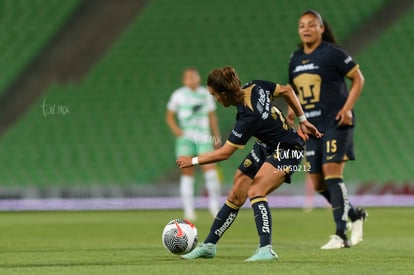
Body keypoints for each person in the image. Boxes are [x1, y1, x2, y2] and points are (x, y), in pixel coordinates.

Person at [176, 66, 322, 261]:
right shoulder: (255, 86)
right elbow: (287, 90)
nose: (215, 99)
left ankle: (266, 249)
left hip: (288, 149)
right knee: (237, 192)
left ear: (224, 94)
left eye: (214, 95)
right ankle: (209, 245)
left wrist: (192, 160)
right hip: (264, 146)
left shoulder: (247, 117)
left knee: (256, 191)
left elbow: (225, 153)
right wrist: (302, 119)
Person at [288, 10, 367, 249]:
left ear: (322, 29)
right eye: (302, 25)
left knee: (333, 174)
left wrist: (347, 108)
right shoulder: (295, 58)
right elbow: (295, 90)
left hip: (335, 123)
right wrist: (294, 110)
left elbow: (358, 79)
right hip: (311, 128)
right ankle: (354, 215)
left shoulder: (333, 53)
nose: (306, 29)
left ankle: (341, 235)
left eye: (312, 25)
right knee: (318, 182)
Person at [166, 68, 221, 220]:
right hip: (186, 138)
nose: (192, 79)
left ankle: (214, 206)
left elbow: (212, 116)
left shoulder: (206, 94)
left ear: (198, 78)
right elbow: (169, 116)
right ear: (184, 80)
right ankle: (189, 210)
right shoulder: (178, 95)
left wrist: (216, 137)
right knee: (187, 172)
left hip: (203, 137)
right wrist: (177, 131)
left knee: (210, 171)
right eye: (189, 77)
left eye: (194, 77)